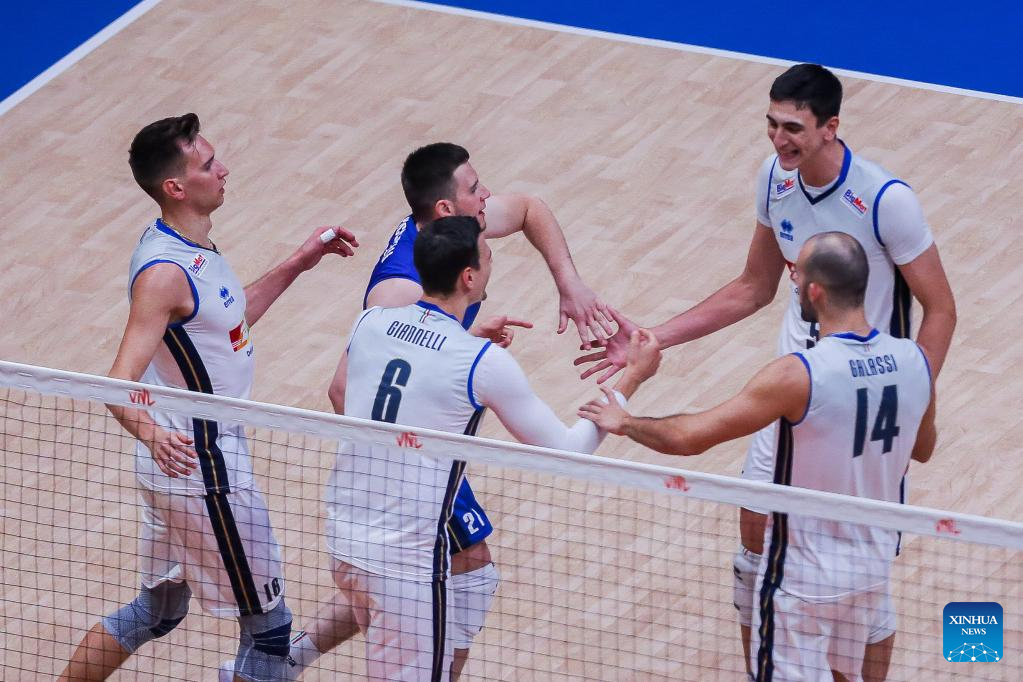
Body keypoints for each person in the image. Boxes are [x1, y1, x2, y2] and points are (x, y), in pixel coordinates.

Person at [575, 63, 955, 679]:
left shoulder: (887, 201)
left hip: (857, 394)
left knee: (859, 558)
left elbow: (941, 310)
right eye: (772, 125)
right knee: (758, 539)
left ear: (831, 127)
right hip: (793, 389)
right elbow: (753, 287)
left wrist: (906, 393)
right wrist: (652, 337)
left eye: (794, 128)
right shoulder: (775, 181)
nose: (780, 140)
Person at [274, 142, 610, 679]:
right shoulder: (393, 294)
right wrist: (412, 462)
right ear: (448, 214)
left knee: (411, 582)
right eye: (476, 189)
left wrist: (567, 282)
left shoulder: (446, 242)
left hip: (374, 506)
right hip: (404, 470)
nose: (489, 197)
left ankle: (289, 660)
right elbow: (341, 390)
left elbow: (529, 208)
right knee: (467, 573)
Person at [57, 114, 358, 682]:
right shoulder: (164, 273)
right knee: (270, 636)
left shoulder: (188, 247)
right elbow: (116, 381)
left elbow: (227, 324)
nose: (224, 170)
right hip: (203, 466)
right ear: (175, 187)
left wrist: (298, 262)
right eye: (208, 165)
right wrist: (150, 432)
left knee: (159, 610)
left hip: (178, 462)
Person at [580, 232, 936, 681]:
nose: (790, 273)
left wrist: (625, 420)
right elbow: (922, 448)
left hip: (804, 579)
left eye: (797, 271)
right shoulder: (915, 360)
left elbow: (691, 437)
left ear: (815, 291)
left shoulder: (799, 374)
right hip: (872, 568)